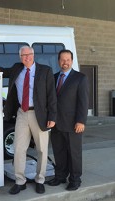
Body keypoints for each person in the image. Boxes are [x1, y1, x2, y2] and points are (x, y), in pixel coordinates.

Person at [0, 46, 57, 194]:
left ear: (33, 55)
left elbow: (52, 95)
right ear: (20, 57)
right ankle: (20, 181)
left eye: (29, 54)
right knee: (19, 148)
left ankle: (40, 179)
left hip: (40, 115)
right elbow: (4, 71)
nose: (27, 57)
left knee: (41, 149)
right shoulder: (17, 68)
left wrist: (52, 117)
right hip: (22, 112)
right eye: (23, 55)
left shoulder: (45, 71)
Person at [47, 49, 89, 191]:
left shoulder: (80, 78)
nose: (65, 62)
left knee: (74, 154)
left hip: (73, 124)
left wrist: (81, 121)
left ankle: (75, 179)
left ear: (72, 61)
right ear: (59, 61)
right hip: (56, 124)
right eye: (62, 60)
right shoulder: (53, 77)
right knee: (59, 152)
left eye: (68, 60)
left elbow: (83, 102)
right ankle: (60, 176)